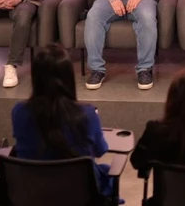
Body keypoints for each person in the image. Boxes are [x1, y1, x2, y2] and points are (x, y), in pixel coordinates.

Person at [11, 44, 114, 196]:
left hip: (33, 192)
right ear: (68, 77)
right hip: (79, 194)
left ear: (35, 78)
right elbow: (101, 150)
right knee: (107, 174)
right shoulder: (87, 115)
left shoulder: (19, 112)